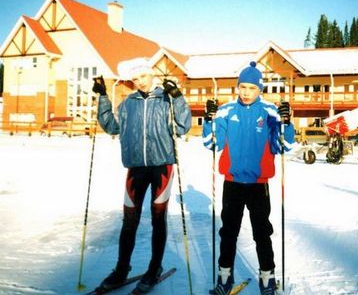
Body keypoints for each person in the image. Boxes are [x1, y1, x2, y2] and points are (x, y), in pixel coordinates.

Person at [92, 57, 192, 294]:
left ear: (151, 74)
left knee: (158, 217)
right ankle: (121, 269)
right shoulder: (128, 104)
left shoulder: (166, 99)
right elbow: (112, 127)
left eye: (143, 76)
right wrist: (103, 97)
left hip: (162, 166)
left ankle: (154, 268)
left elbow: (183, 126)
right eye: (135, 79)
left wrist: (177, 97)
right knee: (129, 220)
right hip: (135, 168)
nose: (139, 82)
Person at [202, 61, 294, 295]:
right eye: (242, 87)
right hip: (232, 183)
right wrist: (209, 120)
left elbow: (283, 146)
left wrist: (286, 124)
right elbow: (212, 144)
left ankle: (267, 278)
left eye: (251, 88)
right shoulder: (226, 110)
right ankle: (225, 276)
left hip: (258, 184)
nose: (245, 92)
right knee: (228, 232)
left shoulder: (270, 111)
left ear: (259, 89)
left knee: (262, 233)